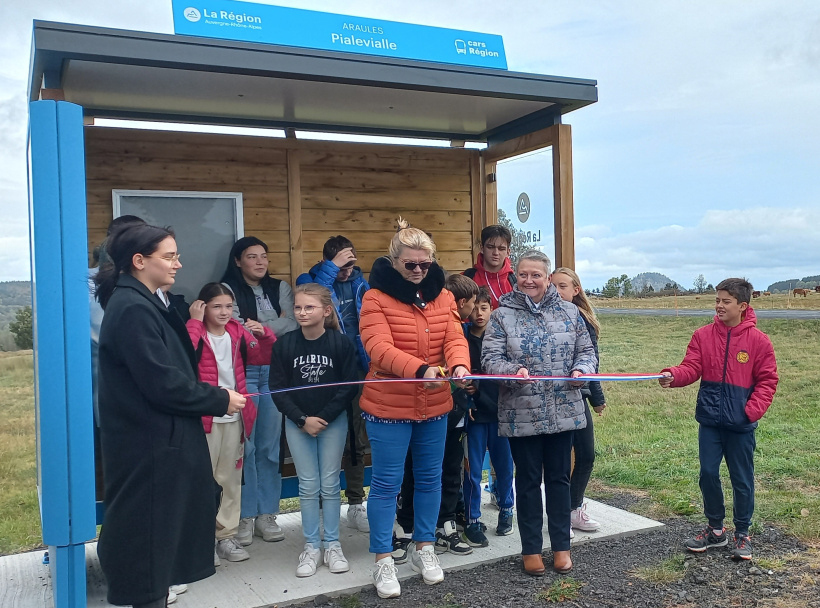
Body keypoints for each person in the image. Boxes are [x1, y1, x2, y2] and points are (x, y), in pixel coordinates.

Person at [94, 223, 246, 608]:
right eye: (169, 256)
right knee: (148, 543)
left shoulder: (148, 301)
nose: (178, 263)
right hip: (148, 449)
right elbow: (161, 382)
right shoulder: (130, 308)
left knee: (160, 545)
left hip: (163, 443)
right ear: (139, 261)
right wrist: (217, 399)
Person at [359, 218, 470, 598]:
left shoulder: (444, 296)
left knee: (429, 478)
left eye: (426, 264)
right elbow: (378, 348)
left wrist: (458, 366)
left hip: (435, 404)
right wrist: (421, 369)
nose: (420, 271)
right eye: (411, 265)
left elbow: (455, 338)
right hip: (389, 405)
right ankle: (383, 557)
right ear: (395, 263)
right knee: (387, 484)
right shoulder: (374, 298)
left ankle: (424, 547)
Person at [481, 250, 597, 577]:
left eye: (536, 275)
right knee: (529, 482)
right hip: (522, 412)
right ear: (515, 277)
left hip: (564, 410)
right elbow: (490, 358)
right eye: (523, 275)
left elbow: (587, 353)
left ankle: (561, 547)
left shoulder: (571, 313)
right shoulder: (502, 315)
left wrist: (580, 371)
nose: (529, 280)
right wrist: (511, 371)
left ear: (547, 278)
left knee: (559, 481)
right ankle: (531, 548)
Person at [659, 278, 778, 560]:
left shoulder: (759, 342)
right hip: (710, 422)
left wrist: (751, 411)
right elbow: (691, 367)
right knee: (709, 474)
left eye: (726, 301)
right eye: (717, 300)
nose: (719, 306)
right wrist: (673, 376)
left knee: (742, 479)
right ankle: (715, 530)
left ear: (743, 306)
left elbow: (767, 381)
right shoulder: (703, 335)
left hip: (740, 426)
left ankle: (742, 533)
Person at [269, 284, 359, 577]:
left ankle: (332, 544)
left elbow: (348, 385)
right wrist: (301, 419)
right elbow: (278, 389)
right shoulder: (284, 345)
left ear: (326, 310)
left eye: (309, 307)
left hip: (333, 422)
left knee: (330, 483)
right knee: (308, 485)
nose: (302, 312)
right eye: (298, 307)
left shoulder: (340, 343)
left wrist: (324, 416)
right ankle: (311, 546)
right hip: (298, 424)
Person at [187, 283, 274, 565]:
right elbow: (184, 358)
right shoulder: (195, 332)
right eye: (217, 307)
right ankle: (202, 542)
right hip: (205, 418)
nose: (224, 312)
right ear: (203, 307)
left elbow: (264, 356)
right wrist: (194, 322)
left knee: (230, 480)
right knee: (202, 481)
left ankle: (226, 537)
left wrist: (265, 334)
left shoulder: (237, 331)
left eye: (228, 306)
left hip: (235, 416)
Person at [221, 236, 298, 545]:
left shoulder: (280, 288)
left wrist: (265, 328)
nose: (260, 262)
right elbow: (235, 325)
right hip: (243, 372)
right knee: (246, 447)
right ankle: (245, 515)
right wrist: (272, 323)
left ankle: (268, 513)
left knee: (268, 445)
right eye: (252, 257)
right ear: (238, 261)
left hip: (275, 372)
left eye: (264, 256)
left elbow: (292, 321)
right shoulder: (227, 289)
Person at [394, 273, 477, 559]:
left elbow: (458, 351)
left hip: (455, 410)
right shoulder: (421, 322)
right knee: (413, 470)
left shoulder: (459, 329)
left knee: (451, 468)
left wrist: (464, 373)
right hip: (420, 406)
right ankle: (406, 527)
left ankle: (445, 524)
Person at [296, 235, 371, 532]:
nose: (346, 271)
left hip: (356, 368)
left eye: (350, 264)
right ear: (327, 261)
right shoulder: (309, 279)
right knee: (321, 436)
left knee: (355, 438)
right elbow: (313, 302)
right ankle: (321, 506)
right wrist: (331, 269)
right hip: (323, 370)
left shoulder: (361, 283)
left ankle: (355, 502)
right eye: (341, 265)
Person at [551, 267, 607, 535]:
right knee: (558, 461)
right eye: (554, 286)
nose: (557, 291)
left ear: (576, 290)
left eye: (563, 286)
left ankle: (574, 509)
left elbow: (591, 362)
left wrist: (597, 397)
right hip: (551, 399)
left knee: (586, 455)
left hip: (578, 396)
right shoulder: (546, 318)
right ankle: (559, 515)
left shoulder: (584, 319)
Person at [461, 287, 515, 547]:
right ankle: (472, 518)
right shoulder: (461, 339)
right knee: (472, 471)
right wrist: (469, 397)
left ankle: (507, 509)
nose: (479, 313)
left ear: (492, 310)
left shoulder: (501, 338)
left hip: (500, 412)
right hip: (474, 414)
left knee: (504, 466)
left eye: (485, 307)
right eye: (475, 307)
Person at [464, 225, 516, 309]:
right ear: (482, 248)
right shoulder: (466, 278)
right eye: (490, 247)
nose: (495, 252)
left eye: (501, 248)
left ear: (508, 252)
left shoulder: (516, 283)